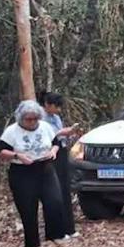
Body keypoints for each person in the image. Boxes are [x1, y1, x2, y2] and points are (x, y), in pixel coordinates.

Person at [0, 100, 66, 247]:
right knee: (27, 207)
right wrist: (17, 155)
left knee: (54, 201)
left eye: (35, 118)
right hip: (22, 172)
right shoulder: (12, 131)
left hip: (45, 168)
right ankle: (33, 244)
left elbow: (56, 143)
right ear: (21, 118)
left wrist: (53, 152)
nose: (32, 122)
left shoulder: (45, 127)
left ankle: (55, 236)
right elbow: (1, 151)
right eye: (29, 119)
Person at [39, 92, 79, 238]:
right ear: (47, 105)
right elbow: (47, 136)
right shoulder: (40, 119)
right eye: (57, 107)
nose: (59, 110)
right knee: (54, 192)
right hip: (49, 155)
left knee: (64, 188)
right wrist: (61, 132)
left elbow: (59, 135)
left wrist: (69, 133)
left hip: (61, 152)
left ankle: (69, 228)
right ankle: (57, 230)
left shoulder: (56, 117)